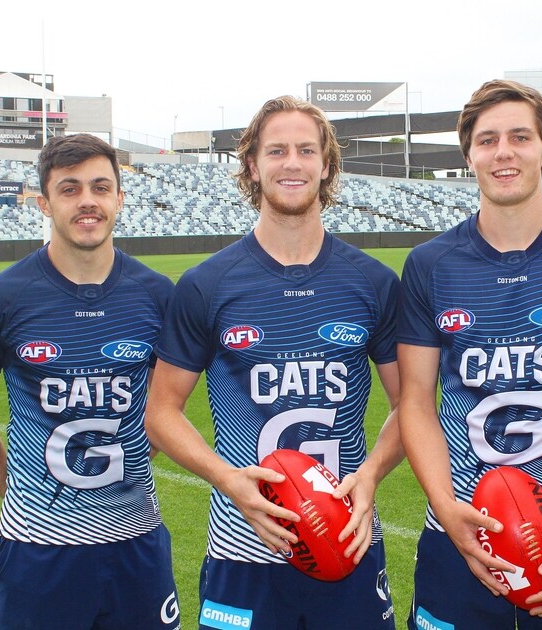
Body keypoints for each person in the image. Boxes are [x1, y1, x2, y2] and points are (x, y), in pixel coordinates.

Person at [145, 95, 403, 629]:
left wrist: (372, 474)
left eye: (306, 150)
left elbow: (414, 407)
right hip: (242, 546)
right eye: (277, 150)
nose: (292, 163)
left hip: (346, 539)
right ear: (252, 165)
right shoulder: (207, 284)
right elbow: (161, 411)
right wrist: (227, 479)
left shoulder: (373, 282)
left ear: (326, 166)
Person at [397, 79, 542, 629]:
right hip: (459, 523)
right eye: (487, 140)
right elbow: (415, 401)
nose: (503, 152)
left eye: (520, 137)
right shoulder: (430, 265)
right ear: (469, 156)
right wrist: (445, 506)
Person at [0, 133, 180, 629]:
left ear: (119, 198)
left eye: (100, 187)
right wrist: (18, 491)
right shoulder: (1, 297)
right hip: (36, 548)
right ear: (45, 203)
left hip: (135, 539)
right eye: (69, 189)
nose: (87, 200)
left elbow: (165, 411)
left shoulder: (158, 295)